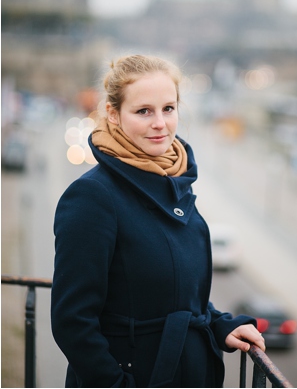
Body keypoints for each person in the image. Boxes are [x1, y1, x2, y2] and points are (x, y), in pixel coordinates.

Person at [51, 55, 265, 387]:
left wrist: (220, 325)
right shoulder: (92, 196)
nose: (160, 123)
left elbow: (176, 291)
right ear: (113, 113)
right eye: (143, 111)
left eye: (168, 108)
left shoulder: (175, 182)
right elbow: (72, 321)